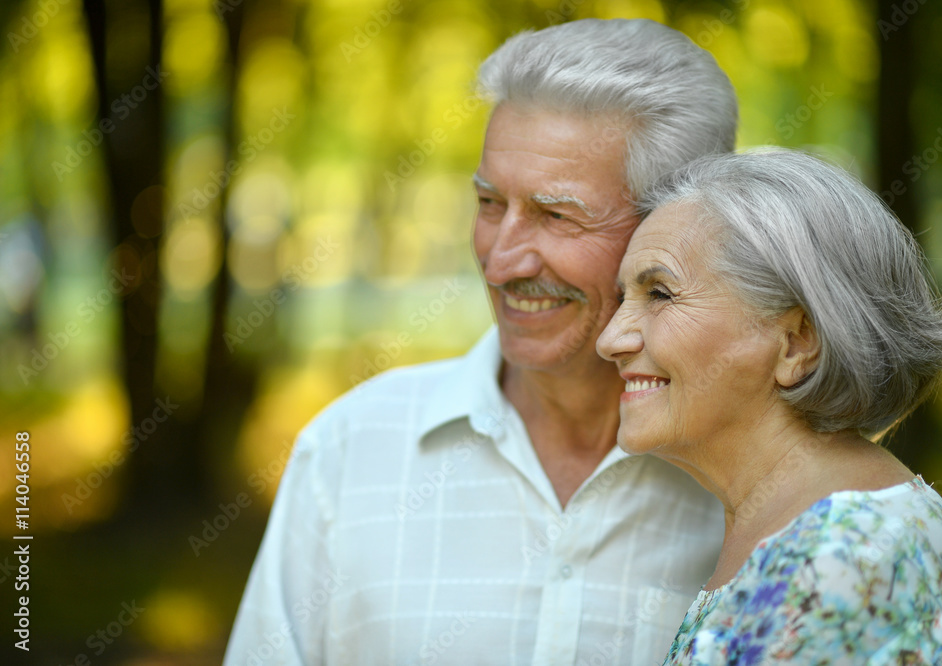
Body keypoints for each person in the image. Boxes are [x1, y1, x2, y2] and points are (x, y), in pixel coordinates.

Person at [224, 18, 739, 665]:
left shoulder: (756, 484)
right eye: (490, 204)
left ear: (675, 231)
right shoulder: (347, 452)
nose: (502, 262)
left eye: (556, 215)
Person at [597, 148, 942, 664]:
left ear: (796, 342)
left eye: (659, 293)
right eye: (621, 298)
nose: (610, 339)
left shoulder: (841, 560)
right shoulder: (808, 531)